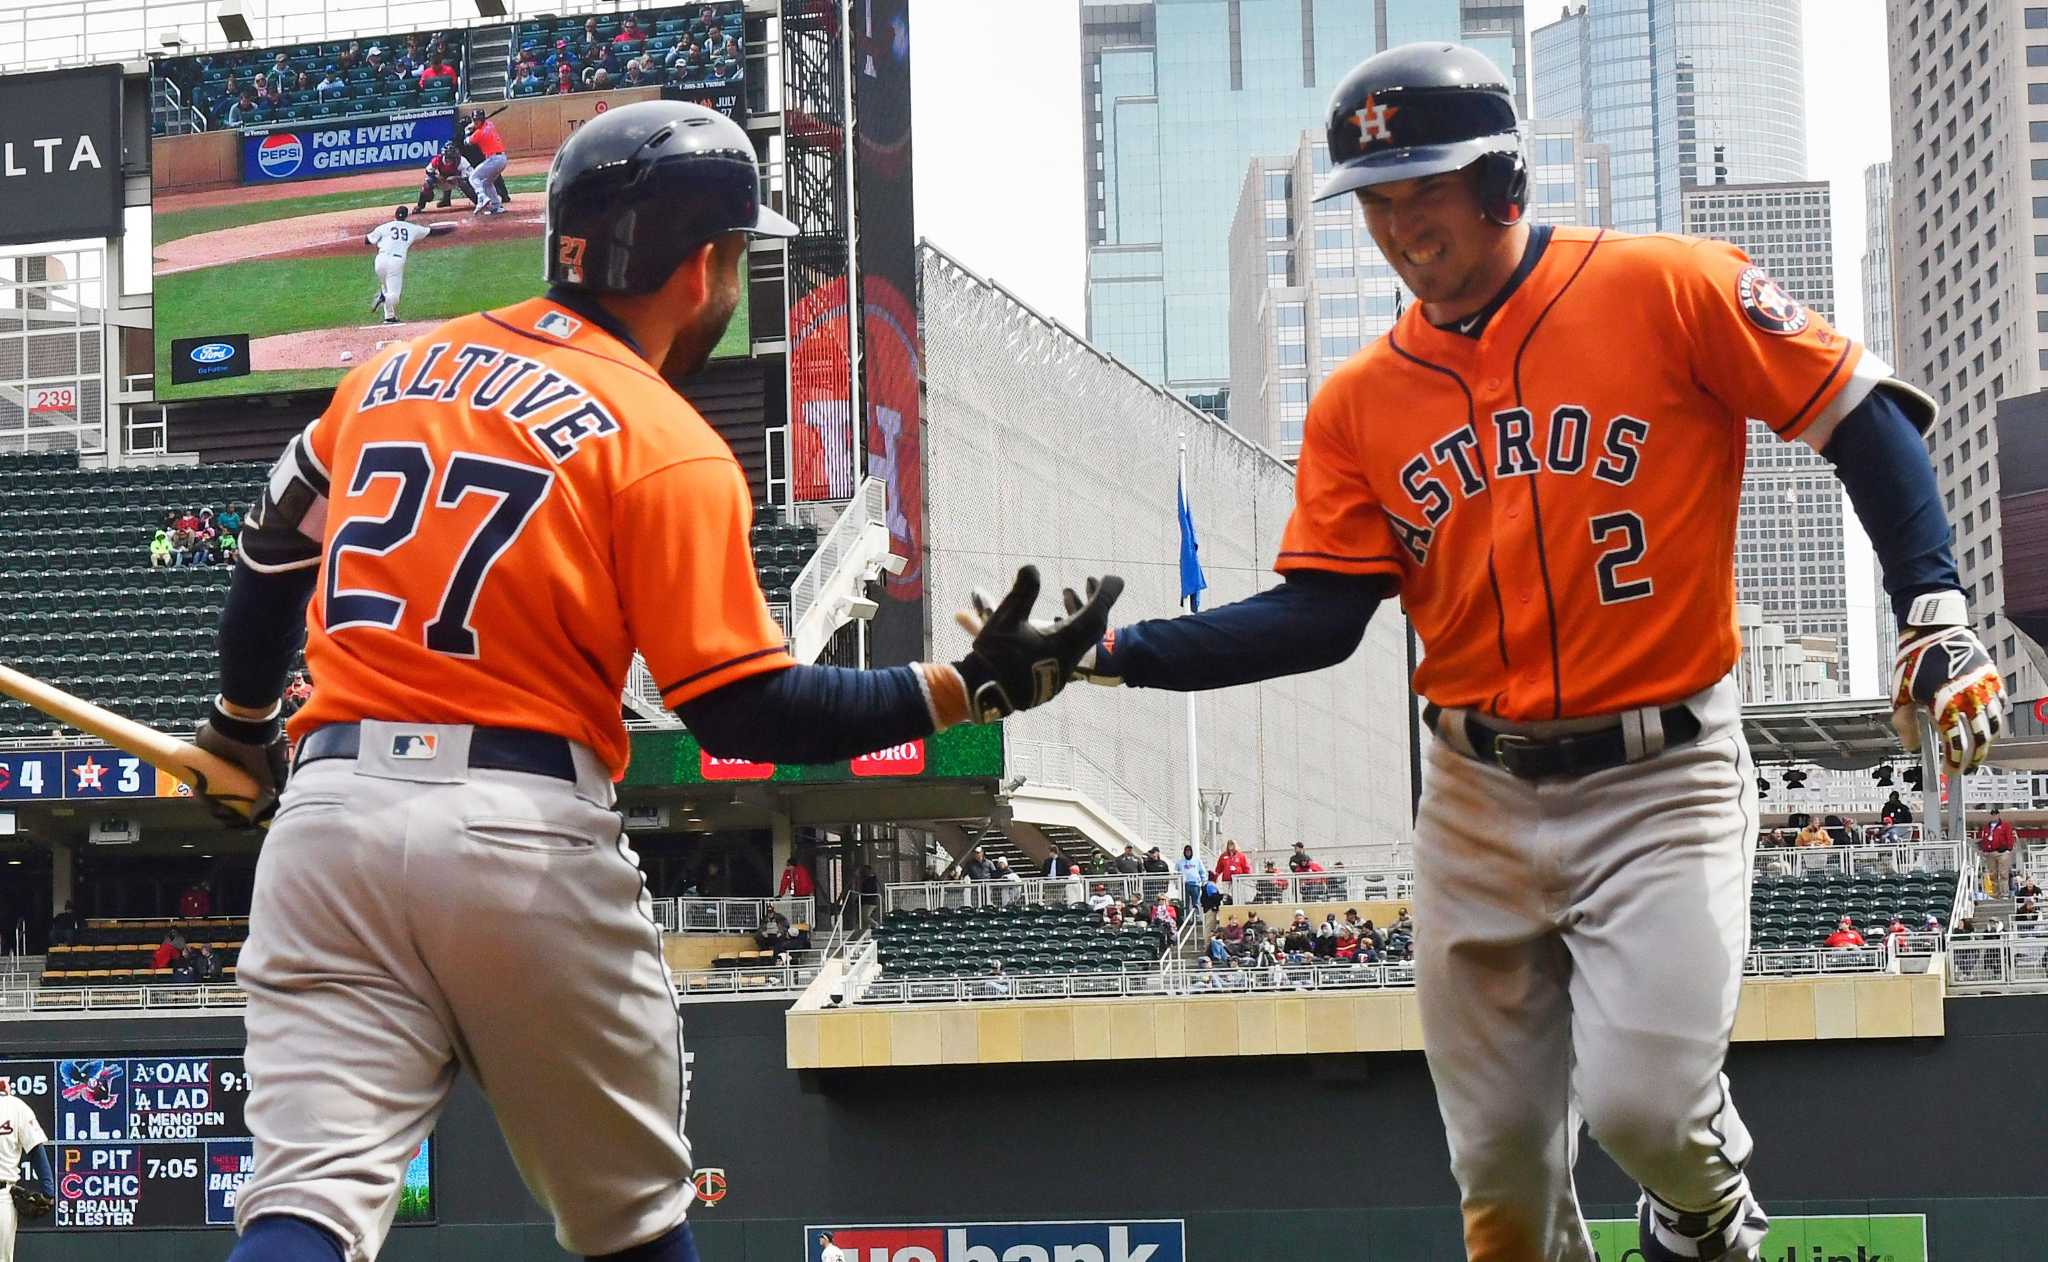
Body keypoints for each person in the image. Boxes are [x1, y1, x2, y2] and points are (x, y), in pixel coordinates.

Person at [188, 101, 1120, 1262]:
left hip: (327, 824)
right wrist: (961, 689)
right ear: (703, 266)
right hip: (517, 834)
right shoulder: (665, 438)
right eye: (735, 257)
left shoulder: (392, 373)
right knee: (632, 1228)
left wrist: (239, 724)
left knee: (307, 1206)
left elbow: (272, 551)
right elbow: (743, 706)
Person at [366, 205, 451, 325]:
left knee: (385, 287)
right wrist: (452, 229)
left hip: (380, 260)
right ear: (406, 216)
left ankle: (389, 317)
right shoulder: (412, 228)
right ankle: (383, 298)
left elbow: (367, 241)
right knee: (394, 296)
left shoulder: (383, 227)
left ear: (395, 215)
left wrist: (384, 240)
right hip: (396, 262)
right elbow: (433, 232)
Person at [0, 1077, 56, 1257]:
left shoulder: (15, 1107)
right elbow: (36, 1152)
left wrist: (48, 1191)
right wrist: (48, 1193)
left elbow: (35, 1149)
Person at [1980, 810, 2018, 898]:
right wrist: (1984, 850)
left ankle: (2004, 893)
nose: (1994, 816)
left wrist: (2009, 848)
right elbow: (1984, 839)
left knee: (2003, 873)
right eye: (1992, 815)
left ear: (1998, 815)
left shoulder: (2005, 826)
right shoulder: (1986, 828)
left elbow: (2009, 837)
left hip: (2002, 852)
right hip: (1990, 852)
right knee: (1992, 874)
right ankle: (1995, 894)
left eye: (1996, 814)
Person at [1176, 844, 1206, 916]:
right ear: (1184, 852)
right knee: (1185, 902)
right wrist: (1177, 883)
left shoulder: (1197, 861)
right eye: (1186, 851)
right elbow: (1176, 872)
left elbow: (1202, 871)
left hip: (1195, 884)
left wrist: (1203, 881)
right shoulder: (1180, 862)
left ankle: (1197, 917)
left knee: (1196, 902)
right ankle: (1186, 917)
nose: (1188, 853)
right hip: (1184, 884)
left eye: (1189, 851)